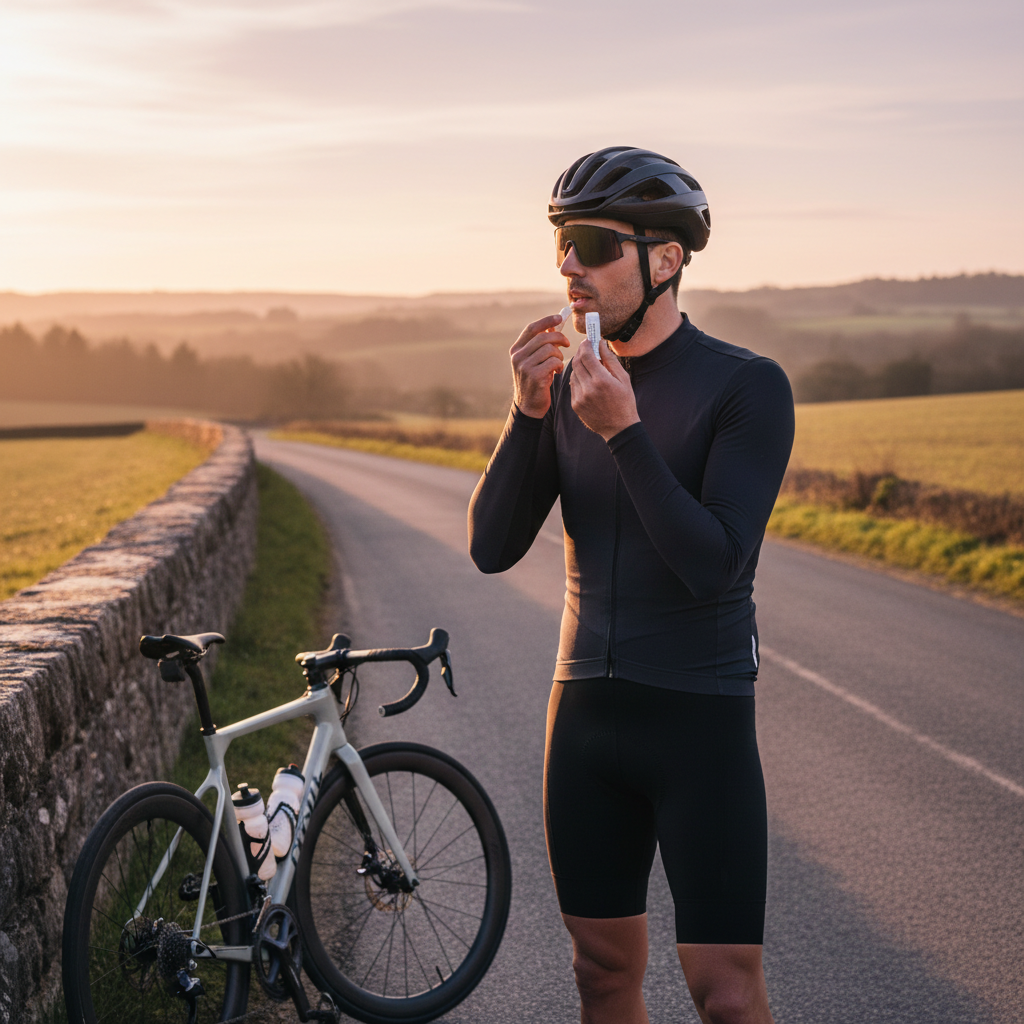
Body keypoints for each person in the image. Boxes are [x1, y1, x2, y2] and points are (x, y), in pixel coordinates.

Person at [468, 146, 794, 1024]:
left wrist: (623, 433)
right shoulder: (571, 386)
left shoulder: (745, 387)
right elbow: (491, 548)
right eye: (561, 245)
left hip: (700, 717)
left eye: (594, 244)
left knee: (724, 992)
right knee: (600, 973)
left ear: (667, 257)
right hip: (585, 717)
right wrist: (526, 411)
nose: (570, 266)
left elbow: (715, 562)